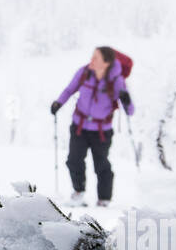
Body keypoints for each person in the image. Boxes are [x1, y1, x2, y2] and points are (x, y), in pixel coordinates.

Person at [50, 46, 133, 206]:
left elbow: (129, 111)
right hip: (79, 126)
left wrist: (126, 99)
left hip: (101, 131)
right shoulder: (84, 72)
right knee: (74, 160)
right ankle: (78, 191)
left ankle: (104, 199)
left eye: (96, 58)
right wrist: (58, 103)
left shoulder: (116, 80)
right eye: (92, 56)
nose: (92, 60)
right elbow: (69, 90)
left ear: (107, 63)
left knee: (101, 164)